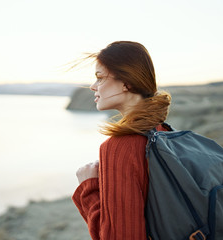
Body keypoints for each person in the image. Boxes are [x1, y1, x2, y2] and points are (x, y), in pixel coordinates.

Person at [72, 41, 171, 239]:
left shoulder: (119, 147)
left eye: (99, 78)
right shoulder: (163, 131)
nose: (93, 86)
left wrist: (88, 187)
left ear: (127, 82)